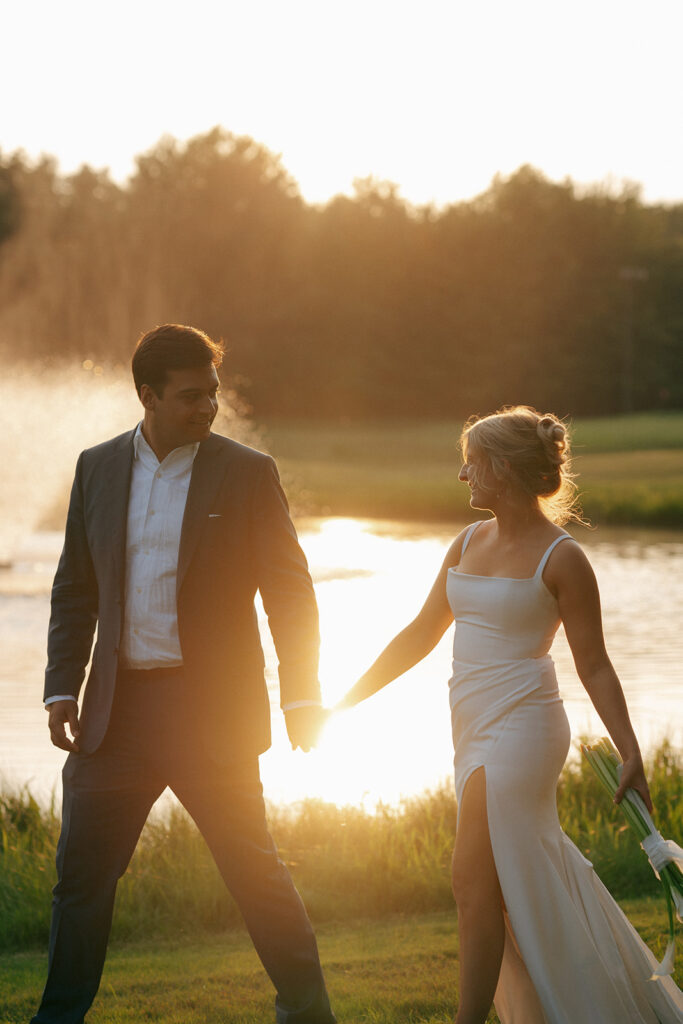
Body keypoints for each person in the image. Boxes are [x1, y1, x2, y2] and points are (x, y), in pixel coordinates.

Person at [336, 406, 682, 1024]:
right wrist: (342, 704)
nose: (462, 475)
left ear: (501, 469)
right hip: (470, 724)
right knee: (501, 884)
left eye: (471, 462)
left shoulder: (563, 558)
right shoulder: (467, 542)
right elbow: (419, 634)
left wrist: (631, 750)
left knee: (470, 879)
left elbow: (595, 665)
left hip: (525, 725)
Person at [32, 324, 336, 1024]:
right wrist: (60, 686)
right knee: (79, 883)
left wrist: (302, 694)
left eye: (214, 394)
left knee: (254, 874)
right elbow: (74, 588)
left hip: (213, 717)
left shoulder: (247, 473)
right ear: (147, 396)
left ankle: (308, 1011)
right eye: (191, 396)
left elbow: (290, 591)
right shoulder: (96, 468)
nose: (208, 409)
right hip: (117, 719)